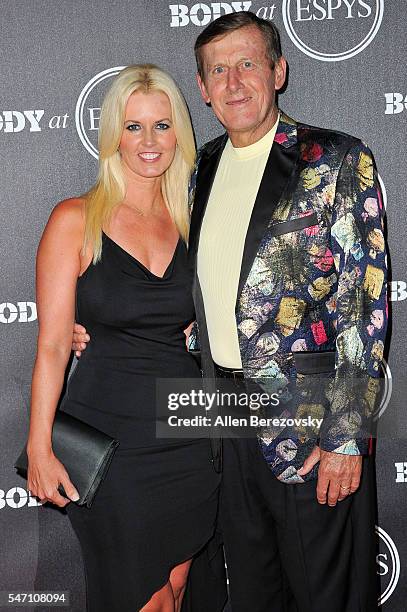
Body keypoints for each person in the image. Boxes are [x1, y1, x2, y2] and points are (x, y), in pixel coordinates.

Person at [74, 12, 388, 612]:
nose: (235, 81)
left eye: (248, 63)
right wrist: (90, 329)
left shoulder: (338, 160)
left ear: (279, 70)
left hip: (310, 425)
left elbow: (365, 302)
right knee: (249, 594)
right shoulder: (197, 170)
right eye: (219, 70)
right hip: (219, 421)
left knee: (327, 596)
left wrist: (347, 439)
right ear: (202, 88)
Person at [26, 64, 221, 612]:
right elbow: (52, 347)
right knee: (144, 598)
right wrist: (39, 446)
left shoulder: (194, 220)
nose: (149, 142)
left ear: (179, 131)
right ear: (113, 134)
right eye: (133, 127)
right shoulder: (75, 219)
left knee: (182, 589)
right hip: (112, 442)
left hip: (189, 433)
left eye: (161, 125)